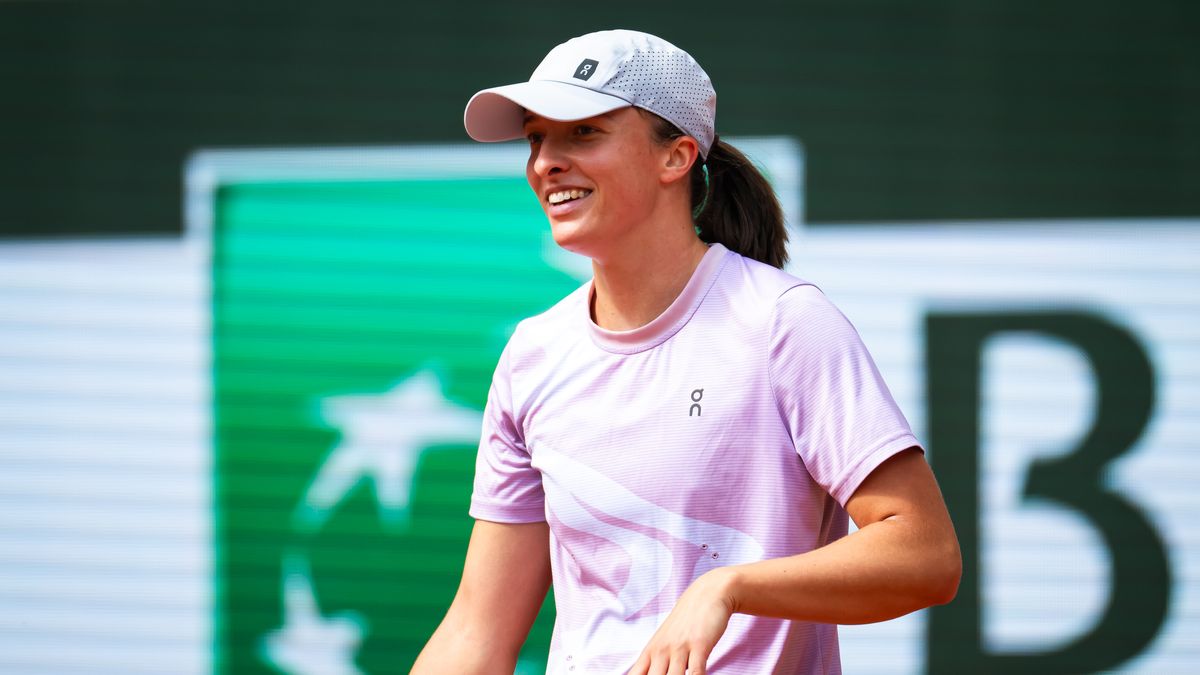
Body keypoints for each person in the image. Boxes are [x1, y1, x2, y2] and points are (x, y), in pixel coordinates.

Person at [413, 29, 960, 675]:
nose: (546, 163)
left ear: (675, 157)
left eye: (583, 132)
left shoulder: (783, 323)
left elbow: (925, 555)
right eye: (536, 139)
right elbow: (477, 631)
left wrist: (728, 588)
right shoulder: (533, 354)